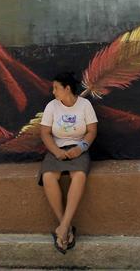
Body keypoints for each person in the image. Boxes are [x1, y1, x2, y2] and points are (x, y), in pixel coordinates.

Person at [38, 71, 97, 253]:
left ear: (67, 88)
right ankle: (66, 226)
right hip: (56, 149)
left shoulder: (85, 105)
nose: (53, 92)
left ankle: (62, 228)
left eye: (56, 88)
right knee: (48, 176)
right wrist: (56, 151)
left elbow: (92, 131)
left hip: (79, 149)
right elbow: (45, 133)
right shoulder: (52, 106)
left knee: (79, 175)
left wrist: (80, 148)